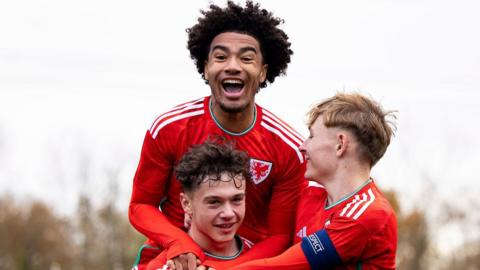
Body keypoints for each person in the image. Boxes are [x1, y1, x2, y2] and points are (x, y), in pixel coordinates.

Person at [129, 1, 306, 270]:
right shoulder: (169, 128)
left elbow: (280, 235)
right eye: (221, 57)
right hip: (175, 256)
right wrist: (179, 243)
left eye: (246, 58)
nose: (233, 66)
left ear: (263, 71)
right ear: (205, 68)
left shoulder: (289, 148)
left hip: (248, 263)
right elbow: (141, 205)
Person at [231, 92, 398, 269]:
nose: (302, 146)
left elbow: (282, 266)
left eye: (311, 136)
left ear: (340, 145)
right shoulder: (309, 196)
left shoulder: (368, 214)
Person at [146, 141, 253, 270]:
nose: (229, 213)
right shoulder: (166, 265)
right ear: (186, 204)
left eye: (236, 199)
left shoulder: (263, 258)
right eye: (214, 202)